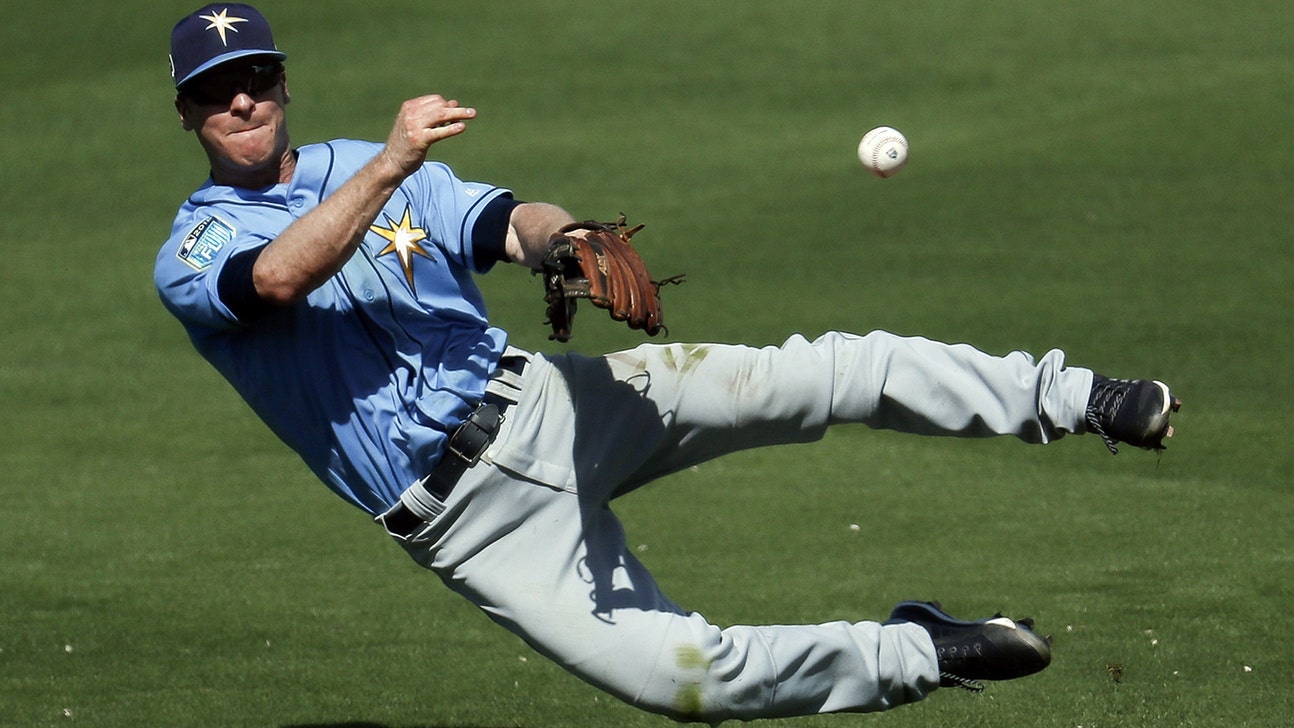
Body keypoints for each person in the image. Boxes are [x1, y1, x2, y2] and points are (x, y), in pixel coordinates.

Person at [155, 4, 1181, 722]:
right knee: (687, 679)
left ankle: (1082, 398)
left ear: (283, 80)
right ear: (188, 114)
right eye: (216, 92)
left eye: (254, 79)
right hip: (469, 528)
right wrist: (388, 164)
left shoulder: (375, 171)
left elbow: (503, 219)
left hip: (554, 406)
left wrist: (564, 241)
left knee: (822, 372)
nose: (242, 103)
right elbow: (278, 278)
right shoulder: (193, 251)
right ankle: (923, 649)